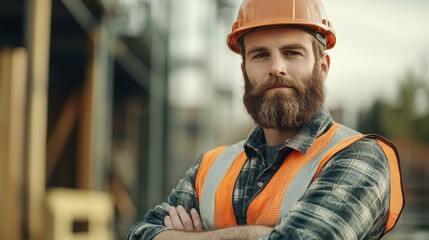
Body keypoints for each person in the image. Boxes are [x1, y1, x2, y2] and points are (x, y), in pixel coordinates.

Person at [127, 0, 404, 239]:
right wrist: (260, 234)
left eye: (292, 52)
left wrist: (195, 236)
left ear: (322, 68)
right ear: (244, 70)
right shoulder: (210, 167)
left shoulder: (359, 156)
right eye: (260, 55)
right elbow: (140, 233)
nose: (276, 68)